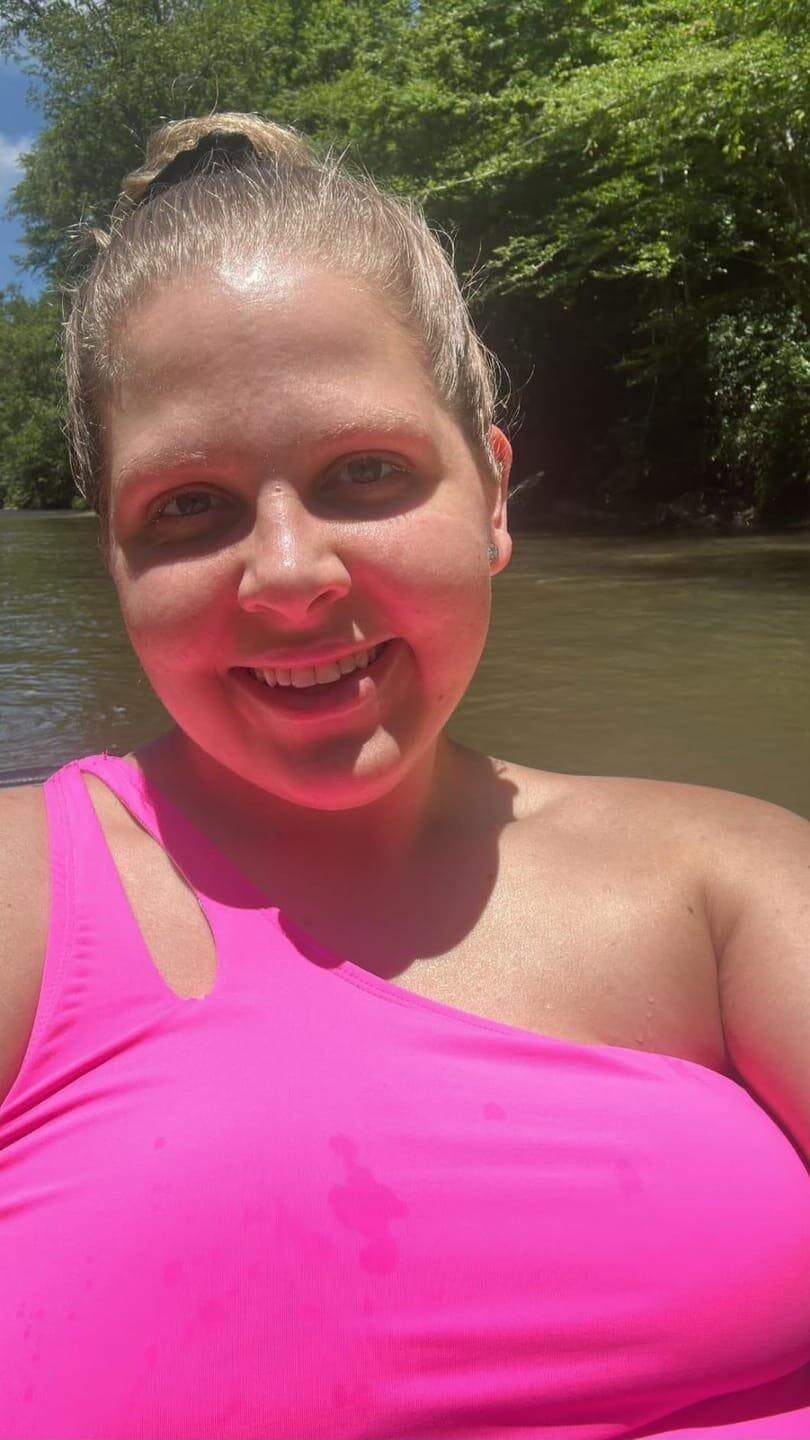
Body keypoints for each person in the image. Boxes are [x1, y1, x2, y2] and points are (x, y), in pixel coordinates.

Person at [0, 112, 807, 1440]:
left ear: (491, 496)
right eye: (188, 505)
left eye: (364, 473)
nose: (288, 575)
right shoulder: (26, 904)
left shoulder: (730, 880)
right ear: (114, 559)